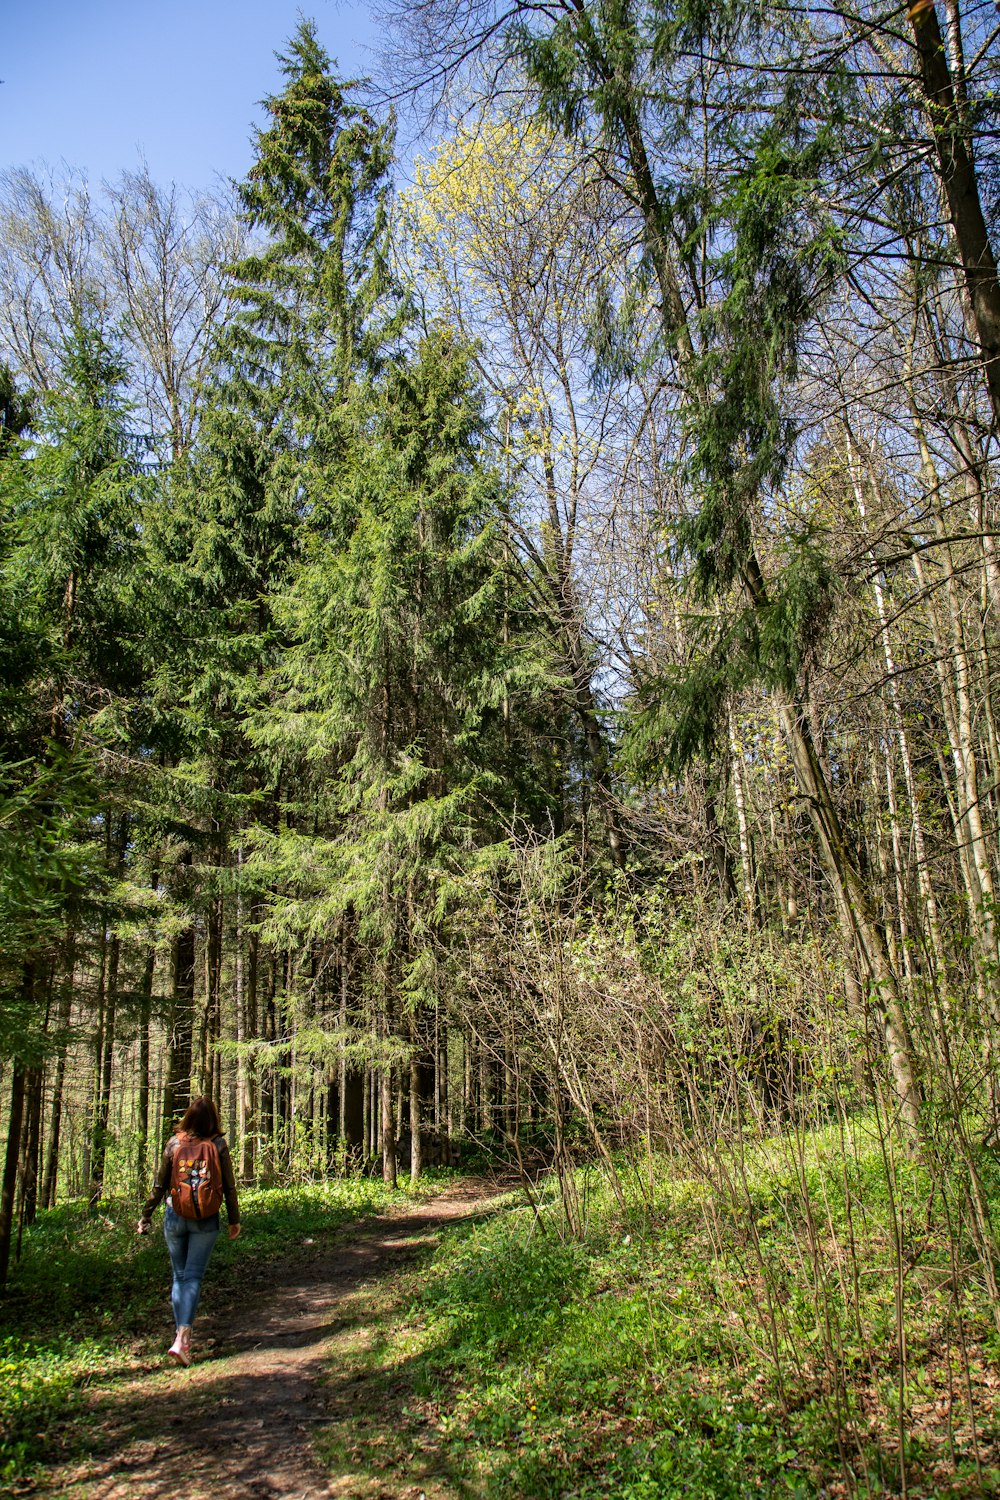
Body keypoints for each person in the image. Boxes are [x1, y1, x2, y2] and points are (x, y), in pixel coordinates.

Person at [136, 1096, 241, 1366]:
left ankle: (179, 1335)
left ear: (188, 1117)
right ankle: (183, 1338)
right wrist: (234, 1219)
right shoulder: (218, 1144)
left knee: (179, 1276)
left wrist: (146, 1215)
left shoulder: (173, 1144)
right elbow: (229, 1186)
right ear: (212, 1119)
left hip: (175, 1215)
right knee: (193, 1276)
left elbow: (159, 1186)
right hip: (206, 1218)